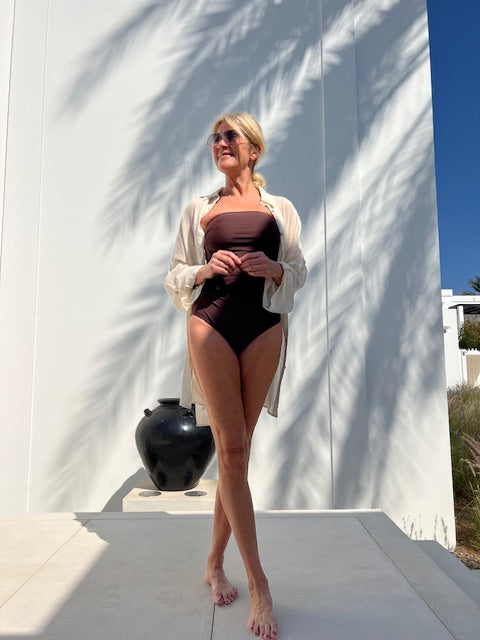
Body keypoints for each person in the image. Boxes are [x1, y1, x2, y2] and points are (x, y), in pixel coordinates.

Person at [164, 112, 306, 640]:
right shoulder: (200, 209)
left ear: (253, 149)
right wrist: (205, 269)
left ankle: (213, 563)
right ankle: (259, 584)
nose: (220, 143)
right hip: (212, 322)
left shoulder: (280, 209)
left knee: (239, 451)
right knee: (230, 447)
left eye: (231, 136)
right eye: (215, 138)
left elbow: (299, 269)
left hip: (264, 325)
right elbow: (175, 273)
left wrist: (277, 269)